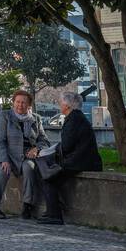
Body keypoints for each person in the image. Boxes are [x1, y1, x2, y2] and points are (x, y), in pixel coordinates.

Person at [39, 91, 102, 226]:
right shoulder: (77, 117)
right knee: (52, 174)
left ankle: (54, 214)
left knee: (48, 178)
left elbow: (67, 146)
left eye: (61, 102)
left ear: (67, 105)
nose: (59, 105)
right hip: (84, 160)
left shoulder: (73, 120)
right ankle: (53, 210)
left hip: (81, 162)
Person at [0, 88, 48, 219]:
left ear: (29, 105)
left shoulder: (36, 119)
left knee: (29, 168)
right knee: (2, 172)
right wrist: (4, 159)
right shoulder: (5, 116)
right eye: (17, 102)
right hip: (9, 155)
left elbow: (44, 140)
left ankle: (27, 206)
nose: (20, 105)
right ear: (13, 102)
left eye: (23, 102)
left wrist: (36, 149)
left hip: (27, 156)